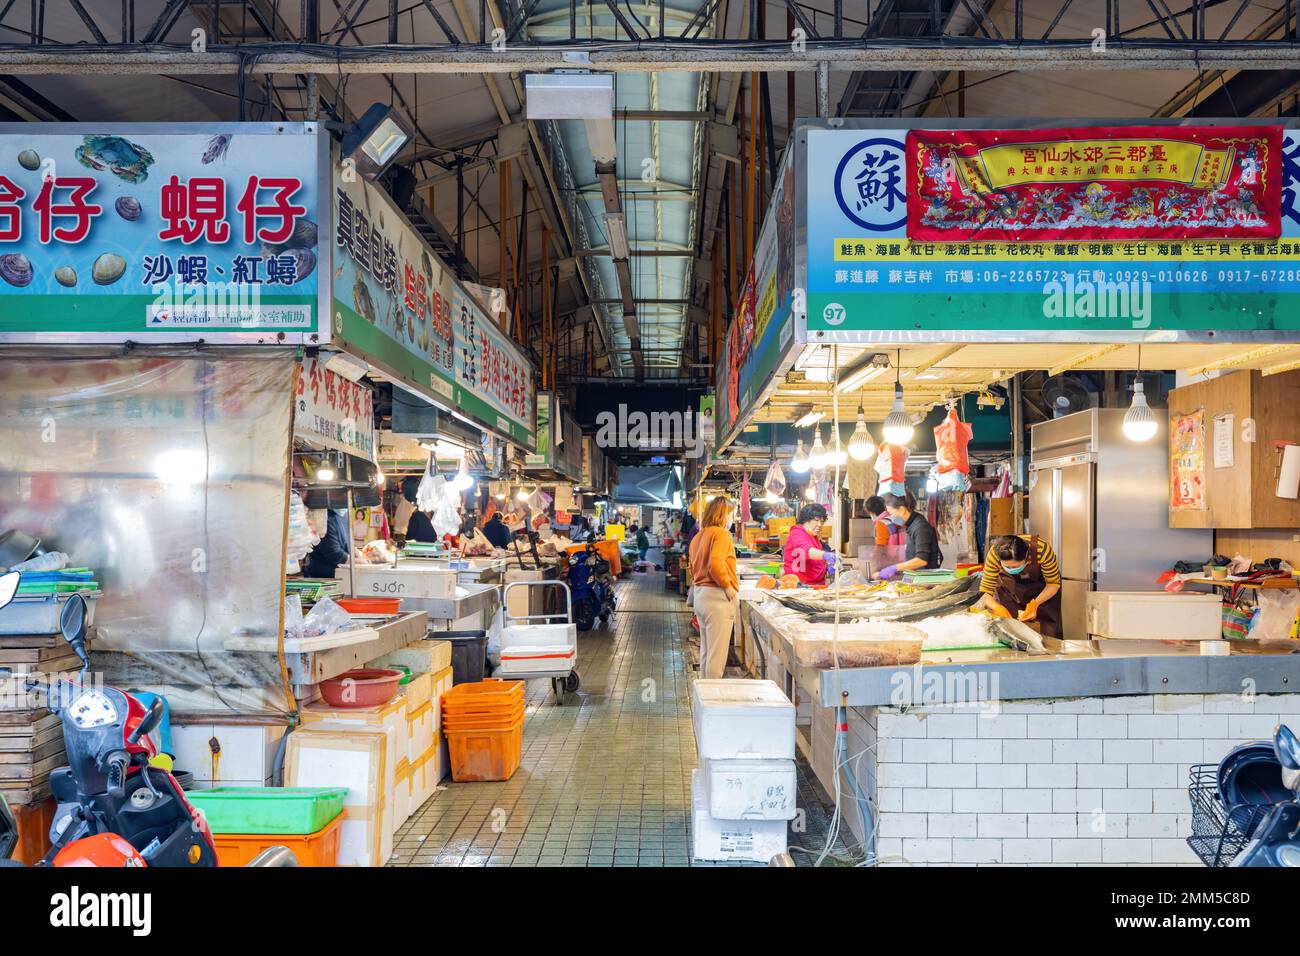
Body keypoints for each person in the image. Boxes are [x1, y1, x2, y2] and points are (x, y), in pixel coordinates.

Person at [974, 534, 1063, 637]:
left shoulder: (1042, 550)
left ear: (1026, 556)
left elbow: (1053, 584)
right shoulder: (995, 553)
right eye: (1007, 567)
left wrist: (1035, 603)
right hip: (1010, 595)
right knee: (1010, 634)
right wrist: (997, 607)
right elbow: (985, 592)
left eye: (1015, 566)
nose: (1012, 569)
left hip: (1043, 595)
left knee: (1048, 637)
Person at [688, 496, 739, 679]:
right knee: (717, 658)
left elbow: (693, 569)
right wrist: (728, 587)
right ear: (723, 514)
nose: (733, 519)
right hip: (717, 598)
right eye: (732, 514)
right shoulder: (721, 534)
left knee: (707, 652)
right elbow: (715, 565)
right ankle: (712, 702)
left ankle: (702, 697)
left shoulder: (698, 536)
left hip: (701, 597)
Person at [874, 493, 943, 579]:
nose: (891, 517)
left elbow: (921, 560)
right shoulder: (911, 525)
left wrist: (894, 568)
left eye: (891, 513)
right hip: (916, 577)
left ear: (902, 510)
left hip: (925, 579)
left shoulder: (920, 527)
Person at [783, 503, 836, 585]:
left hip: (815, 586)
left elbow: (813, 560)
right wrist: (825, 555)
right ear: (806, 520)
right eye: (816, 520)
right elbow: (804, 550)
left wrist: (827, 565)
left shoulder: (813, 536)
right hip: (799, 587)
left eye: (822, 521)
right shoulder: (797, 533)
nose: (820, 525)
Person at [304, 508, 350, 578]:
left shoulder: (344, 516)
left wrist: (360, 556)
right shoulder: (325, 518)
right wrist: (360, 562)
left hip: (341, 574)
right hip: (323, 576)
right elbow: (335, 554)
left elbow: (348, 543)